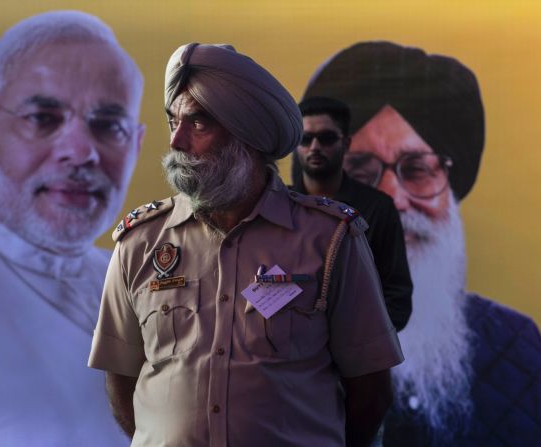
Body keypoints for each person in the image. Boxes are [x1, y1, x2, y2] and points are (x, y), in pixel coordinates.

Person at [88, 42, 403, 447]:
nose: (177, 142)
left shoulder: (330, 239)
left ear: (247, 137)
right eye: (173, 122)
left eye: (198, 124)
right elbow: (122, 379)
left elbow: (371, 389)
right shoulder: (140, 242)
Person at [301, 40, 541, 446]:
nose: (392, 200)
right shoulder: (261, 346)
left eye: (417, 170)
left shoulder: (527, 360)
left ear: (451, 187)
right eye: (360, 173)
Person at [0, 11, 144, 446]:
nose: (80, 153)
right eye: (42, 118)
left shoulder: (141, 281)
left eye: (109, 126)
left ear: (136, 145)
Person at [291, 96, 412, 331]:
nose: (315, 147)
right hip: (293, 355)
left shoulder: (378, 208)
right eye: (305, 139)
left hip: (357, 356)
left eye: (326, 138)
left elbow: (397, 296)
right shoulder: (279, 206)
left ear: (346, 143)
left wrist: (359, 344)